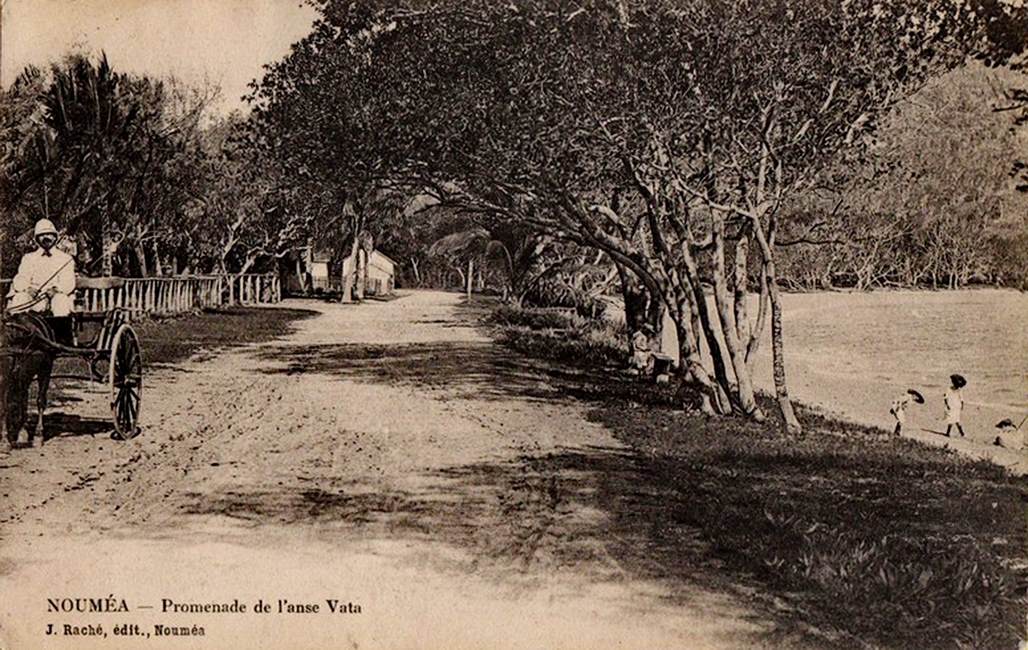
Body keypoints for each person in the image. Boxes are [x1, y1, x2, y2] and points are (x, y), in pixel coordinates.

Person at [6, 219, 76, 344]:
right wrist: (27, 289)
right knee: (20, 298)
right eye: (42, 235)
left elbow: (69, 282)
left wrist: (56, 290)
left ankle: (61, 342)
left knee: (60, 301)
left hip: (55, 297)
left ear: (55, 237)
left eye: (49, 234)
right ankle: (21, 341)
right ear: (37, 239)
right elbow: (21, 278)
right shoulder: (28, 258)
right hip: (35, 298)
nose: (46, 237)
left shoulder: (65, 259)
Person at [944, 374, 966, 438]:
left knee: (952, 419)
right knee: (956, 420)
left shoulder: (949, 389)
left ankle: (948, 433)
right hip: (956, 406)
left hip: (953, 406)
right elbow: (961, 399)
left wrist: (947, 405)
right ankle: (961, 433)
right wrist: (962, 406)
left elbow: (945, 397)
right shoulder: (959, 390)